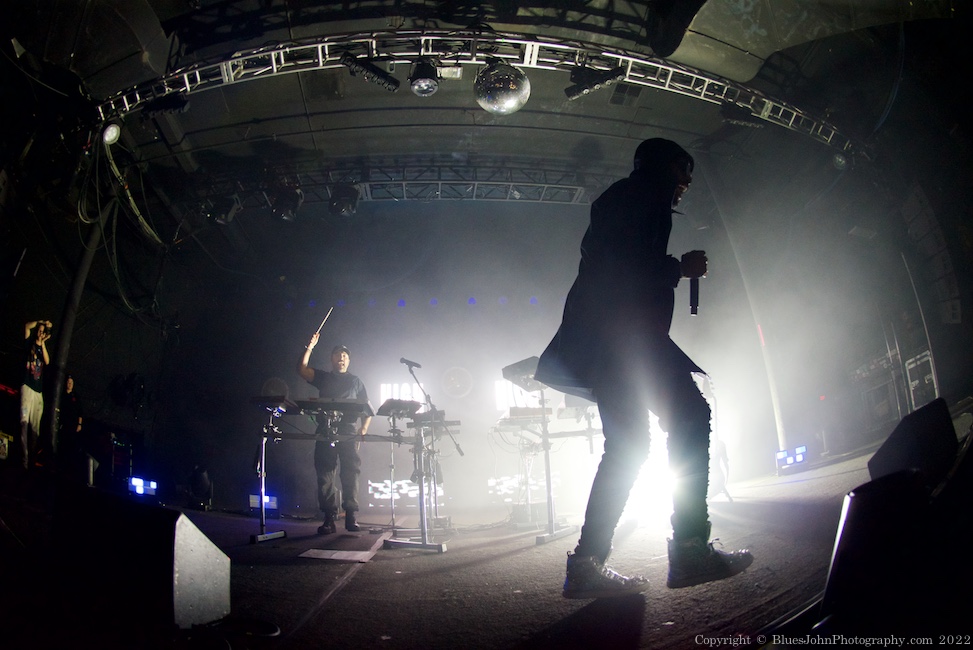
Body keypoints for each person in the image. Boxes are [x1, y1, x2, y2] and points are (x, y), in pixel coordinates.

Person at [535, 138, 753, 598]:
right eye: (681, 170)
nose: (687, 182)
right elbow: (619, 267)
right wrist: (680, 268)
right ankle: (691, 548)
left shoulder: (631, 200)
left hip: (614, 342)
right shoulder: (635, 199)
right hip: (624, 341)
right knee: (690, 417)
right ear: (660, 168)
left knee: (630, 446)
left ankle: (587, 565)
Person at [298, 335, 372, 534]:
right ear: (332, 359)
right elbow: (302, 370)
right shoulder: (324, 377)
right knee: (325, 474)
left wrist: (363, 430)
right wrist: (310, 347)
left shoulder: (355, 381)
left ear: (349, 360)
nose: (342, 357)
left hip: (348, 431)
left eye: (345, 355)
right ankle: (329, 517)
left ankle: (351, 514)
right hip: (325, 429)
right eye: (338, 354)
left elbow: (367, 409)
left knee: (350, 472)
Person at [20, 319, 52, 470]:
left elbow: (47, 361)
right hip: (27, 387)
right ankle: (24, 460)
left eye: (42, 332)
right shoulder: (29, 344)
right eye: (38, 331)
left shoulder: (42, 348)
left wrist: (43, 343)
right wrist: (40, 321)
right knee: (23, 424)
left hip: (38, 393)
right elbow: (26, 326)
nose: (40, 334)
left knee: (35, 429)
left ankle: (32, 461)